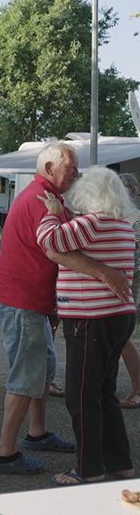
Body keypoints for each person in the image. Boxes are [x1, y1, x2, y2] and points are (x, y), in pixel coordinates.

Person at [0, 142, 129, 475]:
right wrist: (106, 273)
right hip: (22, 301)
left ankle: (37, 433)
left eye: (78, 168)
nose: (76, 174)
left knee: (43, 368)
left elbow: (67, 239)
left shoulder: (52, 198)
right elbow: (54, 249)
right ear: (49, 168)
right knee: (27, 375)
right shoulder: (43, 199)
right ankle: (4, 453)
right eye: (71, 167)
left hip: (34, 301)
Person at [36, 166, 136, 484]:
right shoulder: (122, 225)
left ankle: (88, 470)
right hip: (118, 316)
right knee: (104, 392)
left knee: (80, 395)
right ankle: (120, 463)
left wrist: (52, 212)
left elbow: (48, 241)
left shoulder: (92, 224)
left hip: (89, 318)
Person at [118, 172, 140, 409]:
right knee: (114, 337)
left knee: (123, 337)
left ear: (132, 192)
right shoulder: (115, 215)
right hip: (114, 281)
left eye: (121, 188)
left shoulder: (136, 218)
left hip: (130, 282)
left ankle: (138, 389)